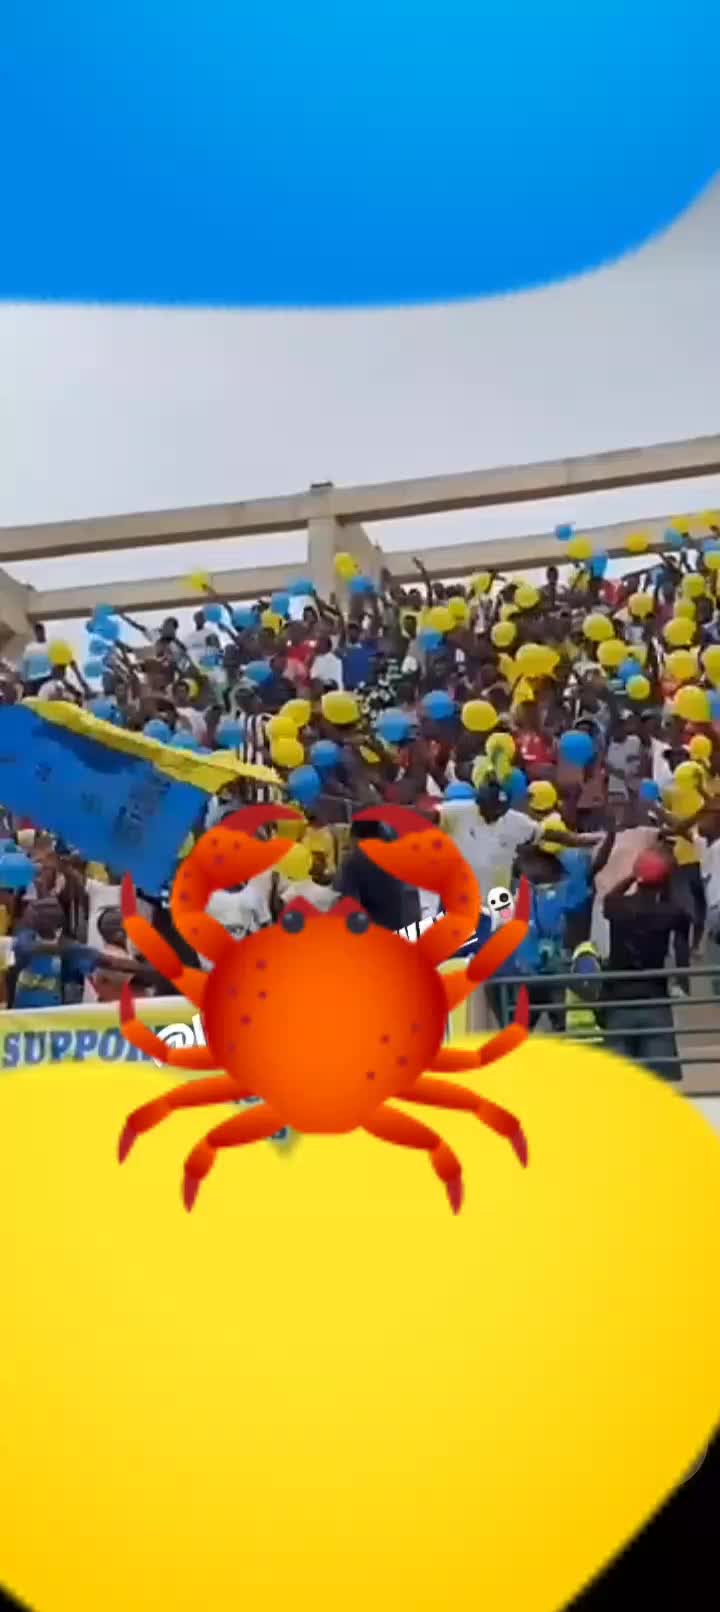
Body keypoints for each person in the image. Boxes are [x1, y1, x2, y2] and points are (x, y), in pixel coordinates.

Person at [601, 848, 684, 1080]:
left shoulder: (617, 906)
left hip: (618, 1001)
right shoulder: (670, 912)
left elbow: (610, 897)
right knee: (659, 1081)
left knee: (619, 1080)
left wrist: (633, 875)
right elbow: (680, 912)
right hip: (654, 999)